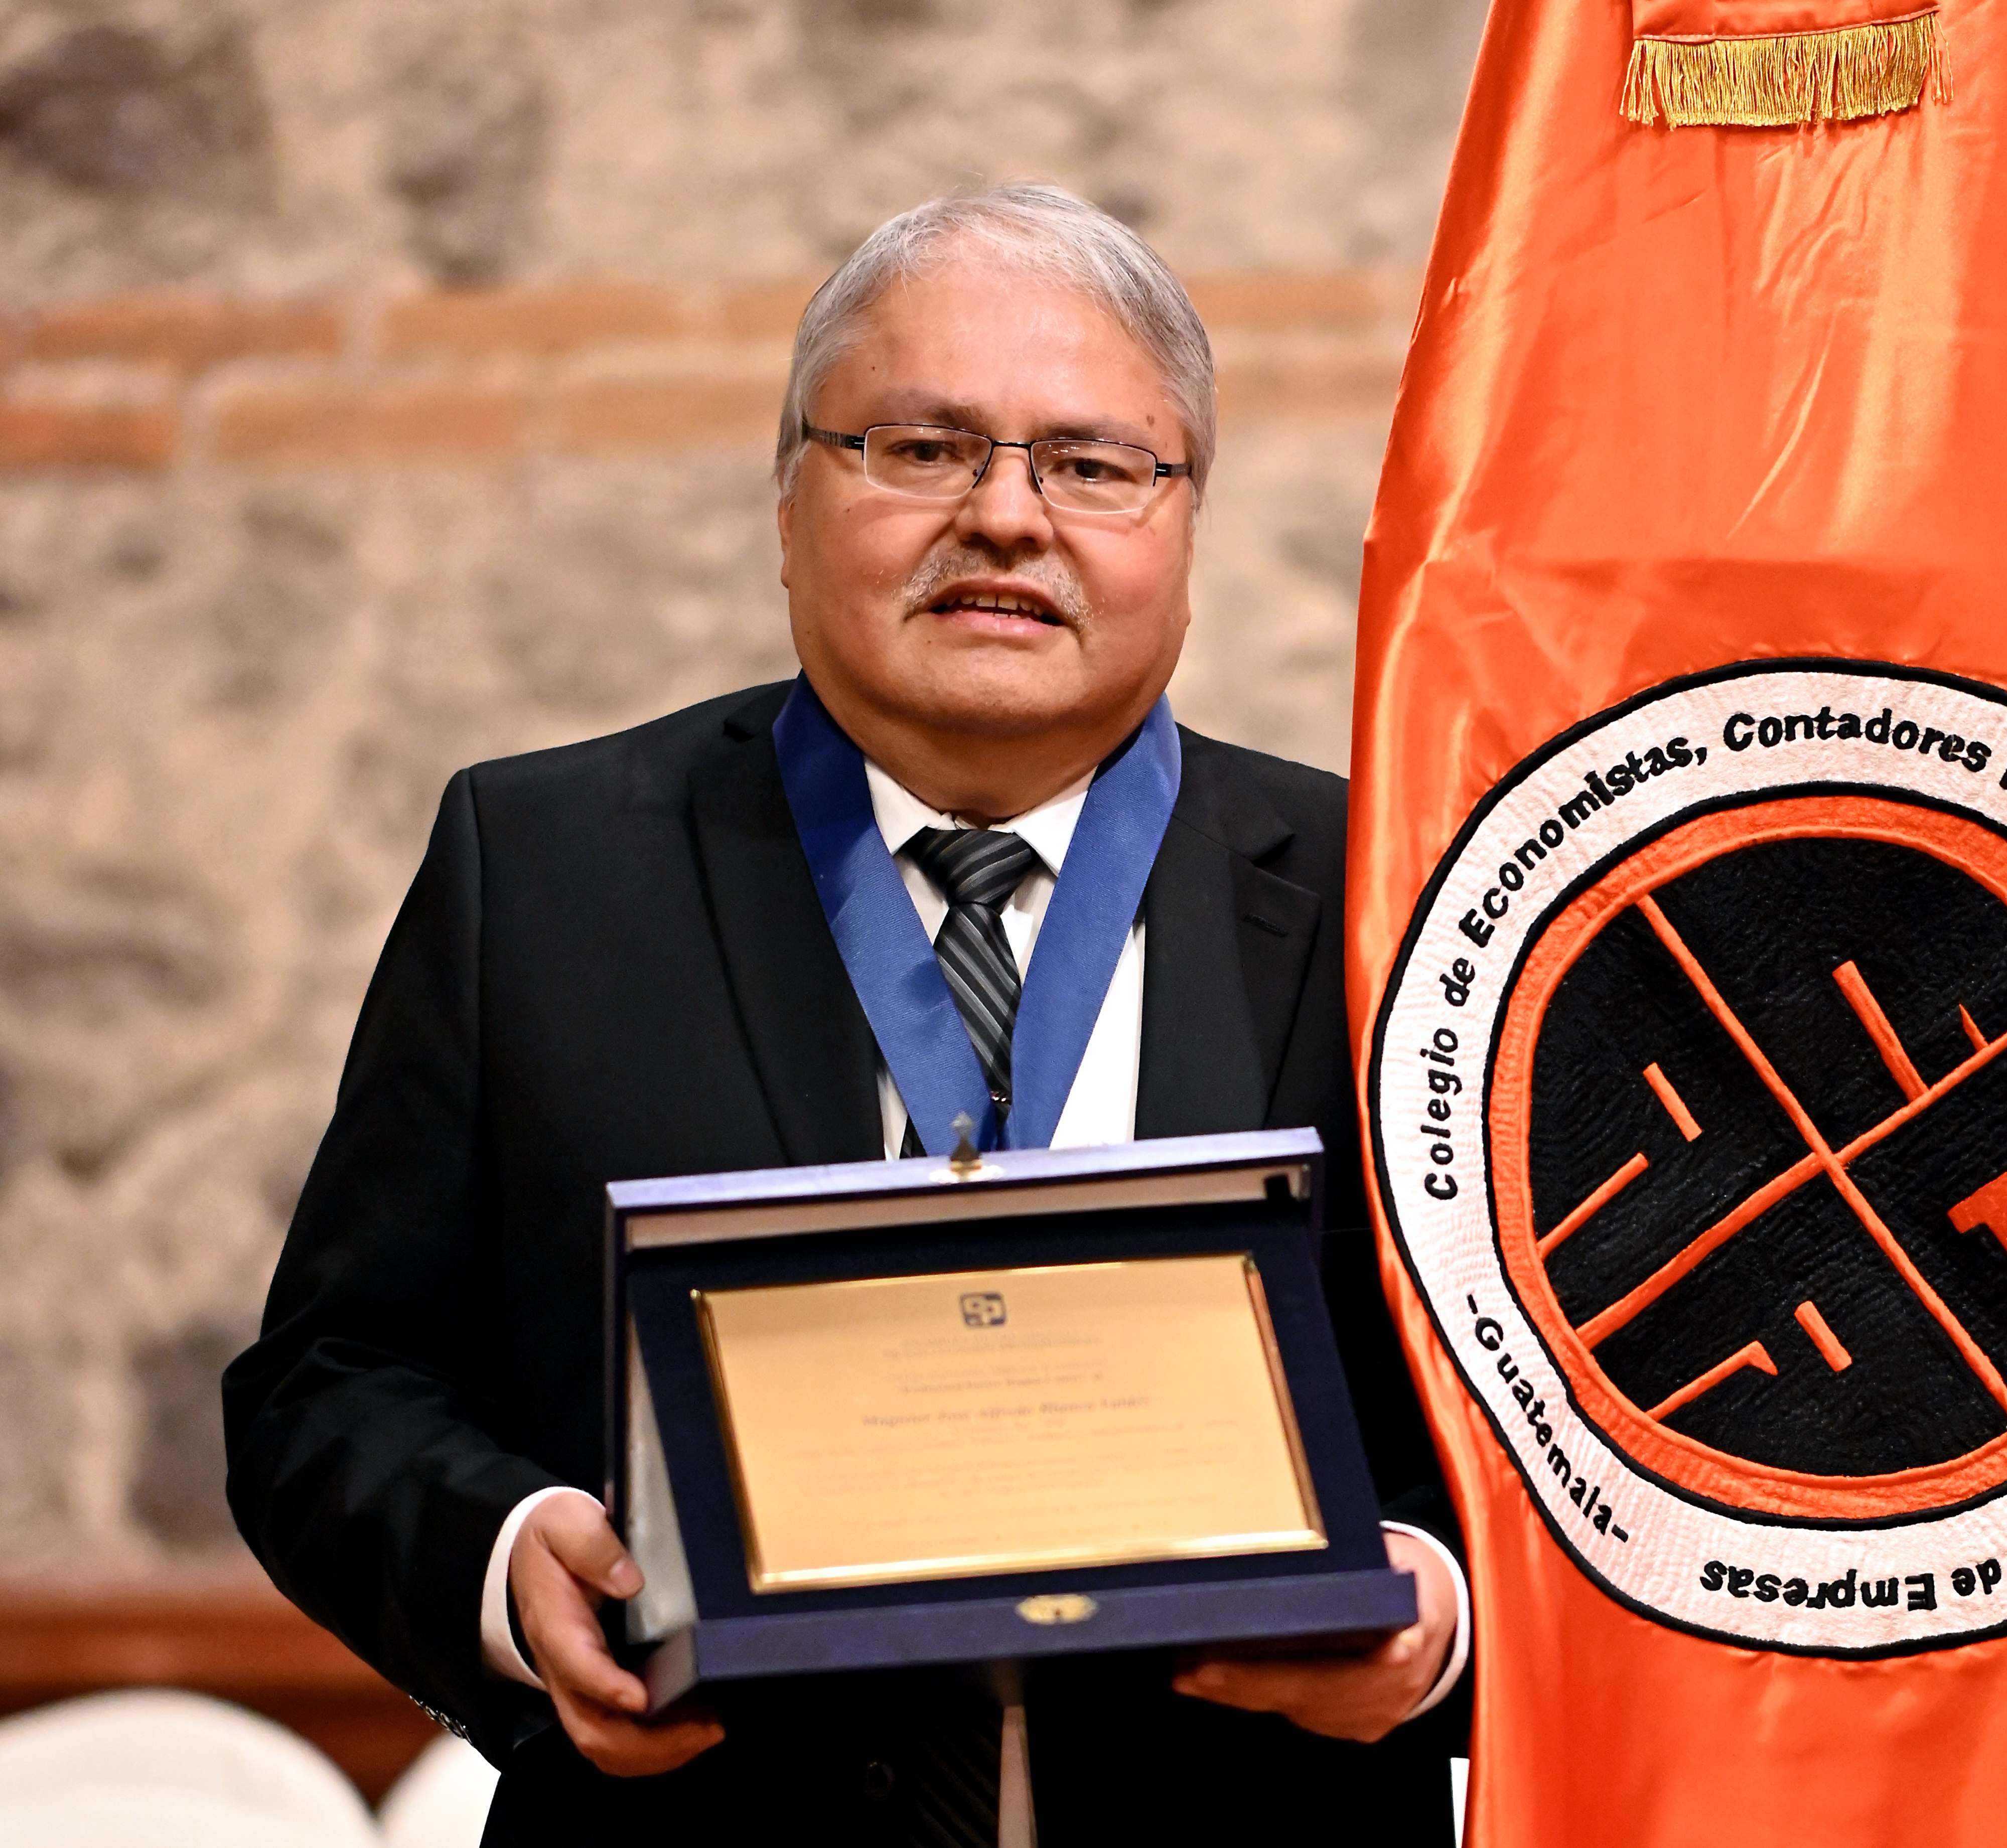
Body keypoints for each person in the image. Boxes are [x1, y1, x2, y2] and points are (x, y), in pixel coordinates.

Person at [223, 183, 1468, 1847]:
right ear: (790, 501)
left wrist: (1440, 1612)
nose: (1008, 518)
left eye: (1092, 463)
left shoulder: (1402, 888)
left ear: (1186, 522)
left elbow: (1570, 1420)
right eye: (923, 447)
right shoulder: (538, 868)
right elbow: (331, 1380)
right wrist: (516, 1562)